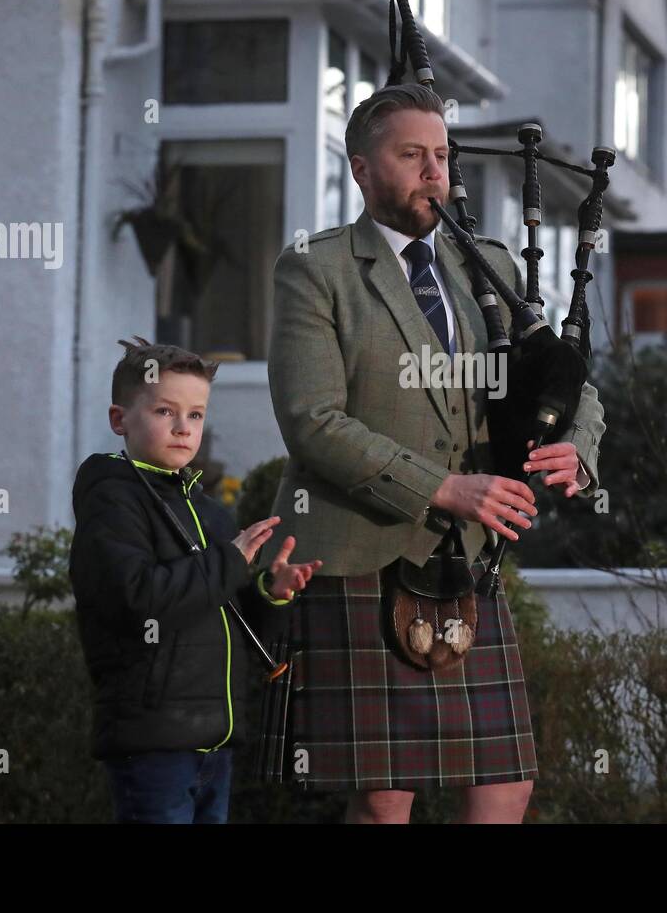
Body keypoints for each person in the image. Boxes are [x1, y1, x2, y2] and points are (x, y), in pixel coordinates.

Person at [258, 83, 605, 823]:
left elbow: (568, 381)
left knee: (506, 783)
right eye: (411, 154)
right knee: (386, 800)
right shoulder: (316, 271)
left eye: (442, 155)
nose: (432, 171)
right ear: (360, 167)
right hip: (359, 554)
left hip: (464, 562)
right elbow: (312, 421)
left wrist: (576, 447)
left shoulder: (488, 268)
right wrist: (444, 487)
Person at [69, 336, 321, 823]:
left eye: (197, 415)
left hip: (216, 741)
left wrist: (272, 592)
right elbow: (140, 598)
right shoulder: (112, 502)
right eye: (165, 411)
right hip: (153, 741)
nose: (184, 428)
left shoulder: (209, 511)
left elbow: (237, 621)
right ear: (119, 419)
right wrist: (230, 560)